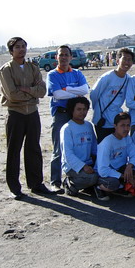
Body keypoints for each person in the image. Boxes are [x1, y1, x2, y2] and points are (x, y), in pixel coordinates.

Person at [0, 37, 55, 199]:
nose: (21, 49)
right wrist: (32, 92)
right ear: (11, 50)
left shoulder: (33, 67)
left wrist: (25, 89)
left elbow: (42, 91)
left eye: (23, 46)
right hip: (15, 114)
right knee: (14, 150)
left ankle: (36, 184)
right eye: (17, 47)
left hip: (32, 114)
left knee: (33, 149)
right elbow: (12, 94)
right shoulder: (6, 69)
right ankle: (15, 187)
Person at [47, 45, 89, 192]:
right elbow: (57, 95)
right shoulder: (52, 75)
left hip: (77, 115)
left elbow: (85, 90)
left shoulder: (77, 73)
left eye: (66, 55)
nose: (63, 57)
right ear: (56, 57)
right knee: (59, 148)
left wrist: (66, 89)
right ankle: (55, 182)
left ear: (71, 57)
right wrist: (74, 92)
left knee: (79, 146)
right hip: (61, 114)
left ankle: (76, 178)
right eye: (61, 55)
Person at [90, 48, 134, 143]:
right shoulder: (107, 77)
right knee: (103, 146)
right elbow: (94, 95)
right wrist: (97, 110)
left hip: (116, 121)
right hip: (102, 120)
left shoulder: (128, 79)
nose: (127, 62)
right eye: (124, 59)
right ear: (118, 61)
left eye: (129, 59)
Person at [95, 112, 135, 201]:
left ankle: (122, 186)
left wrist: (130, 165)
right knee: (113, 183)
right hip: (106, 173)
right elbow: (103, 170)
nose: (126, 128)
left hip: (121, 168)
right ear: (115, 126)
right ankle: (99, 187)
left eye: (128, 125)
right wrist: (124, 176)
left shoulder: (127, 138)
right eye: (122, 125)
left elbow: (134, 154)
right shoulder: (107, 143)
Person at [60, 97, 98, 196]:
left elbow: (94, 148)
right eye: (79, 109)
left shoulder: (89, 125)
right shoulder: (67, 128)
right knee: (93, 178)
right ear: (72, 110)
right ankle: (71, 184)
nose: (82, 112)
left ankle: (88, 186)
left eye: (84, 109)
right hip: (73, 166)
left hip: (88, 163)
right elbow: (68, 155)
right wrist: (83, 166)